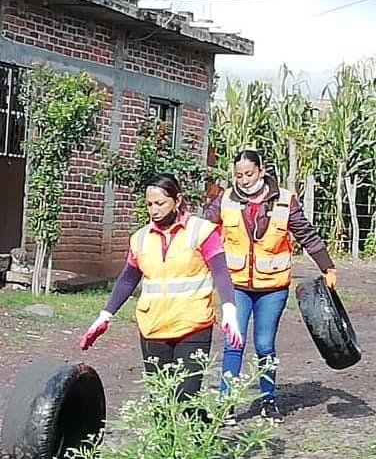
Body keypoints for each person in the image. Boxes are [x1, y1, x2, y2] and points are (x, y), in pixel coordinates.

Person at [81, 173, 244, 403]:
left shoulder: (202, 231)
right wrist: (105, 315)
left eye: (160, 203)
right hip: (153, 328)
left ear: (177, 200)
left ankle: (197, 435)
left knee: (186, 399)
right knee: (160, 400)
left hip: (192, 327)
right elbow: (128, 279)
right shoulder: (140, 238)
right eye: (149, 204)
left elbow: (220, 271)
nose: (154, 210)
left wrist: (229, 310)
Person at [204, 149, 338, 423]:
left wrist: (328, 267)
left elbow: (306, 234)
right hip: (235, 284)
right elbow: (201, 229)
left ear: (262, 170)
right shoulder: (225, 199)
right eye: (239, 175)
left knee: (265, 345)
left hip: (272, 287)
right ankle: (226, 404)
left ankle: (268, 401)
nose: (243, 180)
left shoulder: (285, 201)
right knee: (233, 342)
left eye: (249, 174)